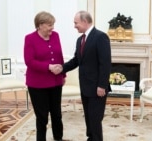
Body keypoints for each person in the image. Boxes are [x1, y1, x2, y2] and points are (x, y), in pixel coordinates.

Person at [60, 10, 111, 141]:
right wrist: (61, 68)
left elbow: (105, 64)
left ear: (85, 21)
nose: (74, 26)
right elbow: (77, 60)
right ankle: (91, 138)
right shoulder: (80, 40)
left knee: (95, 119)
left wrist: (102, 85)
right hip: (85, 87)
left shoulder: (100, 37)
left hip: (97, 88)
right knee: (88, 117)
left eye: (76, 23)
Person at [23, 11, 66, 141]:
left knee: (57, 114)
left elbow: (60, 55)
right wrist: (48, 67)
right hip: (37, 84)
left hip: (56, 81)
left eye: (52, 24)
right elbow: (29, 61)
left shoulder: (56, 36)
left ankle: (58, 137)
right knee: (42, 116)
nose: (52, 28)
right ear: (40, 25)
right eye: (49, 25)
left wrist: (63, 74)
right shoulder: (30, 38)